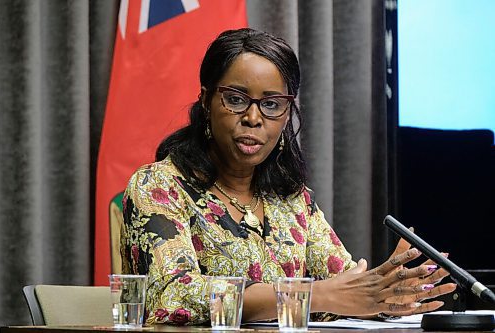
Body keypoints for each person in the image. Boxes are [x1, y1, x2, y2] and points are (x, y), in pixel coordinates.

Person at [121, 28, 456, 325]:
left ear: (286, 115)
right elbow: (172, 295)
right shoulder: (159, 186)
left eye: (271, 105)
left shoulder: (292, 199)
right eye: (236, 100)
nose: (253, 118)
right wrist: (316, 295)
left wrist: (382, 293)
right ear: (206, 101)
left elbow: (340, 286)